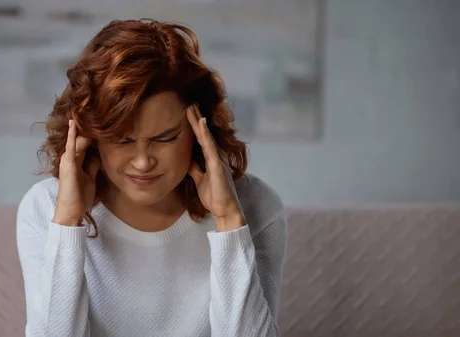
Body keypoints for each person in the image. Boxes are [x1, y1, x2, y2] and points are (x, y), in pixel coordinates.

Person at [16, 19, 288, 337]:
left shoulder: (256, 206)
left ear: (200, 129)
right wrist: (67, 223)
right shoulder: (45, 207)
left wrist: (228, 221)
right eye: (123, 140)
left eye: (165, 138)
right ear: (90, 137)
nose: (143, 162)